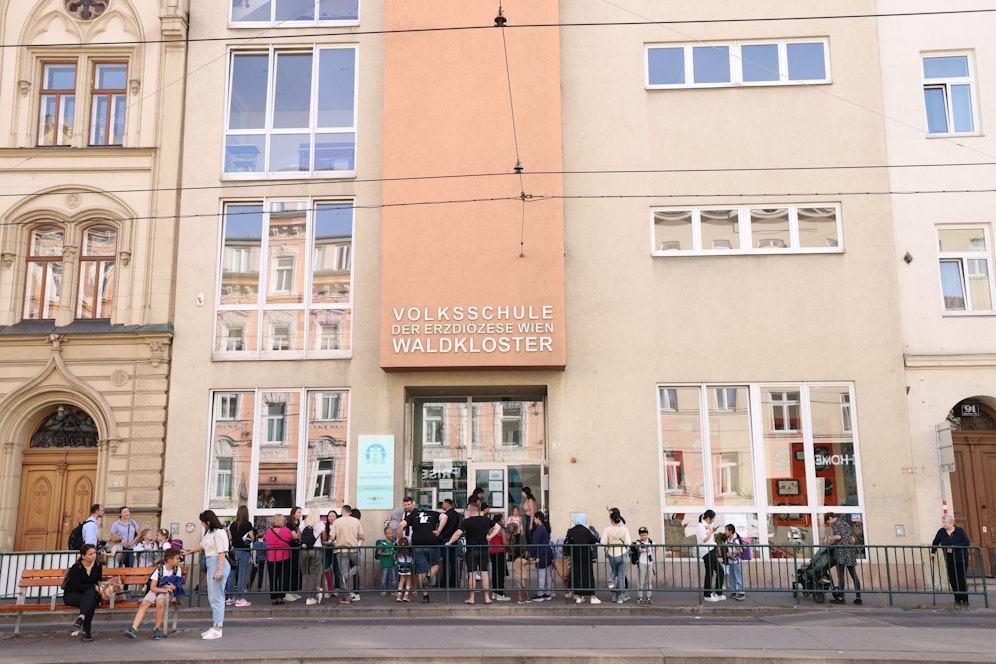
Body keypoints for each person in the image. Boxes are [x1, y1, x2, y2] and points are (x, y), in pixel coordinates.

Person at [183, 510, 231, 639]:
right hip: (212, 563)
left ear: (208, 522)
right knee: (213, 597)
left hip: (217, 564)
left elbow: (222, 552)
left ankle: (218, 628)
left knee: (217, 597)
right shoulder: (210, 532)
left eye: (203, 523)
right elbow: (202, 545)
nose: (203, 525)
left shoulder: (220, 532)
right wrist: (188, 552)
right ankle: (215, 625)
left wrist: (219, 570)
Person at [447, 501, 501, 604]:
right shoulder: (486, 520)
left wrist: (449, 542)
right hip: (484, 549)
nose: (467, 512)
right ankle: (487, 598)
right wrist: (490, 536)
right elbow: (497, 527)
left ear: (471, 511)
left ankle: (472, 598)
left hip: (471, 550)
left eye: (468, 510)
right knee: (484, 573)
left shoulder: (467, 522)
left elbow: (458, 533)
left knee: (472, 573)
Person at [123, 548, 183, 640]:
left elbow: (177, 585)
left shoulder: (177, 569)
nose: (179, 560)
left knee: (160, 602)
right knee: (144, 603)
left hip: (167, 593)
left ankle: (157, 628)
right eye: (177, 558)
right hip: (157, 590)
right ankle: (134, 628)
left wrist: (172, 587)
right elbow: (152, 587)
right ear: (170, 560)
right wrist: (162, 590)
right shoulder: (159, 570)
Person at [396, 496, 443, 603]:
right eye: (405, 505)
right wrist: (439, 530)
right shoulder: (433, 513)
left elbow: (400, 526)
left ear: (414, 505)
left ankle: (425, 596)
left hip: (417, 545)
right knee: (436, 564)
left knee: (421, 571)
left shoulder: (413, 515)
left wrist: (399, 539)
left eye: (409, 504)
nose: (407, 507)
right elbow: (444, 517)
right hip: (432, 544)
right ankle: (429, 577)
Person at [64, 543, 101, 642]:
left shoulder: (97, 565)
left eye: (94, 553)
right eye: (90, 554)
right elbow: (76, 586)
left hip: (88, 595)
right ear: (83, 556)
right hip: (73, 594)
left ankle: (81, 617)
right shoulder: (76, 567)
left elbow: (98, 581)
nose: (93, 556)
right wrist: (93, 586)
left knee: (90, 597)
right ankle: (86, 632)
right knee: (91, 600)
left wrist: (97, 587)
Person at [931, 514, 971, 606]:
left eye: (945, 522)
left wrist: (954, 547)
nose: (943, 524)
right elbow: (936, 542)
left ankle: (965, 599)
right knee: (952, 579)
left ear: (951, 523)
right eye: (943, 522)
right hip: (949, 559)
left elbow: (966, 543)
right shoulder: (941, 532)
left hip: (961, 559)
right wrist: (933, 552)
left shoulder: (959, 531)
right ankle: (957, 599)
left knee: (961, 579)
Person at [824, 513, 861, 605]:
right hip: (850, 551)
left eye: (828, 522)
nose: (829, 524)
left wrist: (828, 538)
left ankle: (841, 598)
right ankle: (858, 598)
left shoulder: (835, 523)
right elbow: (853, 539)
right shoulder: (846, 523)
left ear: (830, 518)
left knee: (841, 575)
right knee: (853, 575)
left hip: (841, 552)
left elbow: (838, 536)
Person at [330, 504, 365, 604]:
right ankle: (348, 574)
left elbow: (332, 537)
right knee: (358, 564)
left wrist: (338, 537)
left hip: (340, 550)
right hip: (353, 549)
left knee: (342, 574)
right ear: (350, 512)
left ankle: (347, 597)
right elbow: (361, 535)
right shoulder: (356, 521)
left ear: (342, 511)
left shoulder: (337, 521)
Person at [565, 513, 600, 604]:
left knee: (578, 575)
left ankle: (579, 596)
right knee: (588, 575)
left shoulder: (572, 530)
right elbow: (594, 540)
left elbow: (567, 543)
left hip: (575, 556)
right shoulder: (586, 530)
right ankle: (592, 597)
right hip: (585, 556)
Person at [601, 511, 631, 603]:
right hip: (623, 554)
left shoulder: (607, 529)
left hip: (612, 554)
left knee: (615, 570)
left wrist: (611, 542)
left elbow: (603, 542)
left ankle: (611, 579)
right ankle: (619, 598)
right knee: (621, 576)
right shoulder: (624, 529)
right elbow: (628, 542)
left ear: (611, 520)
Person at [228, 506, 254, 607]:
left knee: (231, 574)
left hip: (234, 551)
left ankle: (229, 598)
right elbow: (251, 538)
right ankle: (240, 598)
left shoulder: (232, 525)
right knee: (241, 575)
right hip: (244, 551)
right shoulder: (247, 524)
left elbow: (230, 539)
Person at [696, 510, 725, 602]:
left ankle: (718, 593)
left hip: (711, 550)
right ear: (708, 518)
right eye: (713, 519)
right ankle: (707, 595)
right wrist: (711, 531)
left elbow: (708, 536)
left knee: (720, 571)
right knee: (710, 572)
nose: (713, 520)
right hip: (706, 551)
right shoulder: (700, 526)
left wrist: (712, 530)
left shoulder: (706, 526)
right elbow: (704, 539)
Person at [264, 514, 292, 604]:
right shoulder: (286, 531)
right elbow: (290, 538)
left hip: (271, 557)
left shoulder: (268, 531)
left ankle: (274, 598)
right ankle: (281, 597)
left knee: (273, 578)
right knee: (283, 577)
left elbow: (267, 540)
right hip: (284, 556)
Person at [529, 511, 555, 602]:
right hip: (547, 552)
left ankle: (540, 594)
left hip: (541, 553)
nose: (534, 520)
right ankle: (547, 593)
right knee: (547, 574)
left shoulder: (539, 529)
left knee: (541, 574)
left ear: (538, 519)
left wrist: (531, 555)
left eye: (535, 518)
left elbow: (535, 543)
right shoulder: (545, 528)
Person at [438, 498, 461, 589]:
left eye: (443, 504)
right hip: (454, 539)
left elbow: (444, 528)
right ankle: (454, 581)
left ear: (447, 505)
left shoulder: (445, 515)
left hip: (445, 539)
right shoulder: (457, 515)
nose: (442, 506)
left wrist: (441, 536)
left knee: (445, 562)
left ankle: (444, 582)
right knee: (453, 561)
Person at [489, 513, 511, 601]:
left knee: (495, 572)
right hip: (500, 552)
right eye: (503, 519)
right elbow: (505, 543)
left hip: (493, 552)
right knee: (500, 573)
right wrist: (509, 548)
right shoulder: (501, 530)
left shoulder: (492, 529)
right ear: (499, 521)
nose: (504, 521)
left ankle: (495, 591)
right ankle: (500, 593)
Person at [722, 524, 746, 601]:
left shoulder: (735, 540)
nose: (725, 532)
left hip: (736, 561)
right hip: (730, 561)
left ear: (730, 531)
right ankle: (734, 591)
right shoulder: (728, 540)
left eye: (726, 530)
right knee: (732, 576)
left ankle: (741, 592)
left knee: (738, 576)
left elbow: (740, 550)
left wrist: (731, 553)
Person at [321, 510, 341, 598]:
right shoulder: (325, 527)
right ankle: (327, 588)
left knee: (337, 569)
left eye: (333, 516)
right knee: (325, 568)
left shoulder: (339, 526)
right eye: (329, 516)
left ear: (336, 517)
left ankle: (337, 588)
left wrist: (332, 543)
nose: (331, 518)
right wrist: (325, 542)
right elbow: (323, 538)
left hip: (336, 549)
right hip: (327, 550)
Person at [376, 527, 398, 597]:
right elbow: (379, 552)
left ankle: (393, 590)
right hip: (385, 563)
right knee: (384, 577)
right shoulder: (383, 543)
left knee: (393, 577)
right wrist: (387, 554)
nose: (391, 535)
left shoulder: (393, 543)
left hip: (392, 563)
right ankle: (383, 590)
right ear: (385, 534)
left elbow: (395, 551)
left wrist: (395, 555)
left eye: (392, 533)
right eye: (390, 533)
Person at [635, 526, 655, 604]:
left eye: (645, 535)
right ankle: (640, 597)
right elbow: (639, 549)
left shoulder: (651, 541)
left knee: (649, 580)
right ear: (640, 535)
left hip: (649, 562)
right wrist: (643, 549)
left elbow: (656, 547)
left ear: (647, 534)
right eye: (642, 535)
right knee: (641, 580)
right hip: (642, 562)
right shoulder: (638, 542)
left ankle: (649, 596)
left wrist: (652, 552)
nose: (643, 536)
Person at [286, 506, 303, 595]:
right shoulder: (290, 524)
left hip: (299, 548)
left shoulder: (300, 523)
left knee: (298, 569)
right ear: (293, 514)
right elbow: (295, 536)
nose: (300, 514)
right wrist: (301, 531)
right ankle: (291, 590)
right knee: (293, 569)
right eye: (298, 512)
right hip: (292, 549)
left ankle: (296, 590)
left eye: (301, 512)